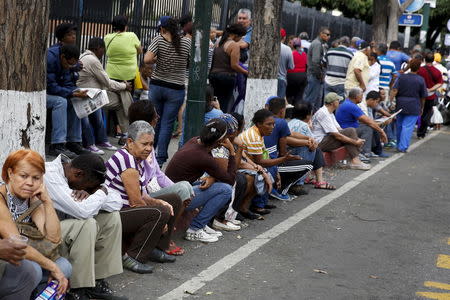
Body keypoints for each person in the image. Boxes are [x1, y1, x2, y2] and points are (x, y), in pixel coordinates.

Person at [44, 153, 127, 300]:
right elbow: (82, 211)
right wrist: (100, 193)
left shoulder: (77, 175)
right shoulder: (49, 175)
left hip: (63, 231)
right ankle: (78, 289)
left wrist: (97, 192)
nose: (88, 191)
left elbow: (117, 202)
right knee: (87, 223)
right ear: (78, 174)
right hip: (42, 235)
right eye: (88, 187)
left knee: (111, 217)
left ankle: (95, 282)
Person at [105, 121, 184, 272]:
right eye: (144, 144)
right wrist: (160, 219)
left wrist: (157, 201)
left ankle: (154, 247)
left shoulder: (136, 157)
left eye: (151, 144)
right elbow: (135, 202)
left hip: (126, 208)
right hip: (114, 214)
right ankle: (133, 256)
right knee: (161, 212)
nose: (149, 149)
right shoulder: (126, 160)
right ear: (130, 142)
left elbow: (141, 193)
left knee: (172, 200)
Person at [0, 150, 71, 297]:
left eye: (36, 178)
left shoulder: (32, 198)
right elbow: (17, 245)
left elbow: (54, 238)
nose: (30, 183)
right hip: (6, 261)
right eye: (23, 176)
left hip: (25, 259)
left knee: (64, 266)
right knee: (33, 270)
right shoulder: (1, 199)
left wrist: (47, 202)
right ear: (10, 173)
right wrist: (53, 268)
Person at [166, 119, 241, 242]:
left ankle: (202, 224)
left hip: (175, 189)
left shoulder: (195, 141)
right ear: (220, 141)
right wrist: (232, 152)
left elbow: (214, 170)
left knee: (216, 183)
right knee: (225, 189)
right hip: (176, 198)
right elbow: (230, 179)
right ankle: (195, 229)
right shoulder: (202, 156)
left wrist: (212, 177)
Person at [144, 16, 191, 167]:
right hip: (176, 88)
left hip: (157, 85)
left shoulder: (158, 39)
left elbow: (147, 60)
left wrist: (158, 59)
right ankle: (161, 158)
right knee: (167, 124)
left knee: (154, 121)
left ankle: (149, 152)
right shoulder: (186, 42)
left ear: (163, 28)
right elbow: (190, 61)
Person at [78, 37, 131, 155]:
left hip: (93, 95)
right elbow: (107, 82)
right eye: (103, 50)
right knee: (119, 101)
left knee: (103, 111)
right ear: (98, 48)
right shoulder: (93, 60)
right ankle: (90, 144)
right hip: (85, 96)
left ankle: (103, 140)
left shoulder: (85, 56)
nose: (104, 53)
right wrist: (124, 86)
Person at [263, 98, 314, 197]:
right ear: (282, 111)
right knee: (308, 165)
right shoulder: (280, 122)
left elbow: (290, 134)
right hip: (271, 164)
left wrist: (308, 139)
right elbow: (283, 152)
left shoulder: (264, 120)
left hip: (262, 162)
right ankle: (287, 188)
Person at [47, 43, 89, 158]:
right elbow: (51, 87)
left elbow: (67, 84)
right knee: (61, 102)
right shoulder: (50, 59)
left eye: (72, 65)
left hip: (55, 91)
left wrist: (76, 92)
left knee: (75, 100)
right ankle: (57, 145)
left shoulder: (66, 62)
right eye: (68, 64)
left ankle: (73, 142)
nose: (69, 67)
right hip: (42, 93)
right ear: (62, 57)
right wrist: (72, 93)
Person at [311, 93, 370, 170]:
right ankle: (355, 160)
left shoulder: (330, 112)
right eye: (338, 100)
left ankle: (355, 160)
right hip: (320, 143)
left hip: (326, 139)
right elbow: (336, 135)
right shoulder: (323, 113)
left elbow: (339, 129)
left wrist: (355, 139)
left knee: (350, 131)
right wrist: (355, 142)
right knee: (350, 131)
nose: (339, 102)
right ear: (333, 103)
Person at [288, 102, 335, 190]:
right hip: (298, 157)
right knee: (316, 149)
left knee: (314, 149)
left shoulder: (289, 123)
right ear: (308, 116)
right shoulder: (304, 125)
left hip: (289, 155)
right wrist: (309, 127)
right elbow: (314, 144)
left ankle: (309, 177)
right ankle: (317, 181)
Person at [336, 88, 388, 158]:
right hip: (346, 130)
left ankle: (374, 150)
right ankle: (364, 152)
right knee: (368, 128)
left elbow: (366, 120)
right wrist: (382, 132)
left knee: (372, 126)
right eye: (361, 96)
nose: (363, 97)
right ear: (356, 97)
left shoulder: (349, 103)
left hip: (350, 128)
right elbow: (369, 121)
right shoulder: (351, 106)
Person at [209, 23, 248, 113]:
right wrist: (246, 72)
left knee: (214, 102)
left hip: (213, 76)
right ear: (236, 35)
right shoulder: (234, 45)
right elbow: (234, 65)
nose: (240, 39)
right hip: (226, 78)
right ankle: (220, 124)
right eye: (241, 37)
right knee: (223, 105)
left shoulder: (219, 42)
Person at [391, 58, 427, 152]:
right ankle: (402, 146)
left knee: (399, 125)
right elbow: (423, 96)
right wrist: (422, 107)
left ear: (409, 66)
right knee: (407, 126)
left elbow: (394, 90)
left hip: (400, 103)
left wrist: (390, 101)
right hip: (414, 105)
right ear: (419, 68)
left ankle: (399, 144)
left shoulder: (401, 77)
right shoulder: (420, 80)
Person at [104, 15, 142, 87]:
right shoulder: (132, 36)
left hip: (111, 75)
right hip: (129, 75)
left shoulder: (107, 38)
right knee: (127, 97)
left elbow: (105, 51)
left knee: (112, 97)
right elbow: (140, 51)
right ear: (125, 26)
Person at [417, 52, 444, 138]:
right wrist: (431, 89)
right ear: (433, 60)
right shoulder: (437, 71)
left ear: (424, 59)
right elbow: (440, 83)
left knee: (418, 112)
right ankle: (422, 133)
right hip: (430, 96)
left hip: (419, 95)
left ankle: (417, 129)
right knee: (427, 114)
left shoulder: (419, 69)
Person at [303, 27, 330, 110]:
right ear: (321, 34)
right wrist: (319, 75)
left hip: (315, 75)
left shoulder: (319, 43)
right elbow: (315, 61)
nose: (329, 37)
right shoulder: (317, 44)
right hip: (314, 75)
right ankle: (304, 116)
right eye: (327, 34)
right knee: (310, 99)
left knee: (314, 99)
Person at [286, 38, 308, 104]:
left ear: (293, 45)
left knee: (289, 95)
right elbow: (307, 65)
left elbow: (288, 65)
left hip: (291, 76)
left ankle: (288, 111)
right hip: (302, 76)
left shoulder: (292, 53)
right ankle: (297, 111)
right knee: (299, 96)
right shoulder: (304, 54)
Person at [278, 28, 294, 99]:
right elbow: (291, 66)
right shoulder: (287, 49)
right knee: (279, 103)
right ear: (284, 38)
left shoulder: (267, 46)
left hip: (268, 78)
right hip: (281, 79)